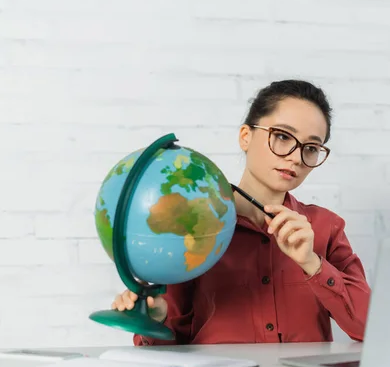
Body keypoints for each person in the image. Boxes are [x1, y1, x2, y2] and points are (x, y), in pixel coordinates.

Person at [111, 79, 372, 345]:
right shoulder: (194, 228)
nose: (296, 157)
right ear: (246, 136)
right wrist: (156, 319)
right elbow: (169, 350)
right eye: (282, 137)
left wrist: (312, 264)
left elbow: (369, 329)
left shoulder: (325, 227)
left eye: (311, 148)